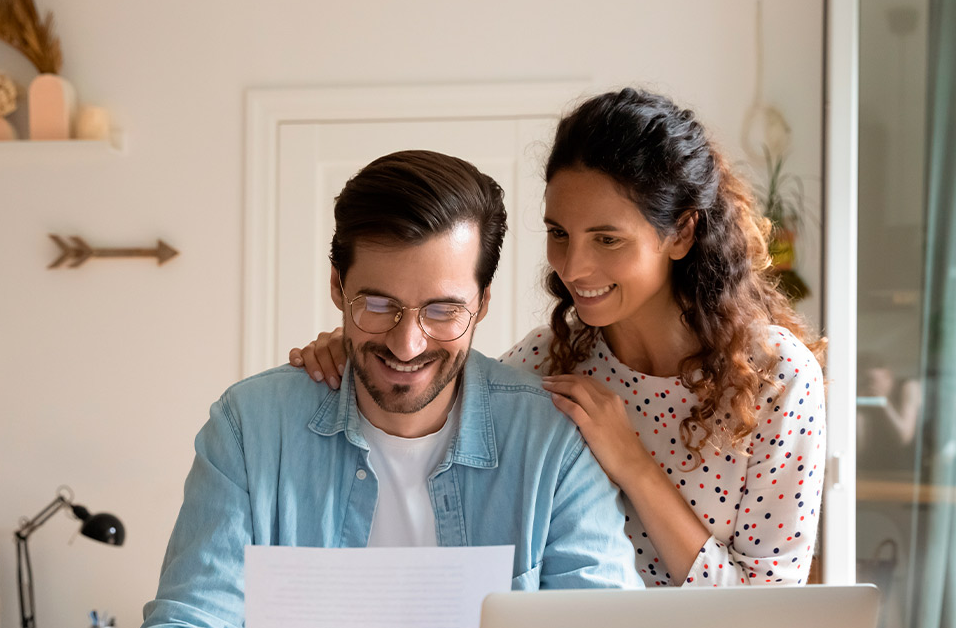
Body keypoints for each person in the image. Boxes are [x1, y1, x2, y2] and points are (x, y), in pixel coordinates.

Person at [123, 149, 641, 628]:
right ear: (337, 287)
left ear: (480, 303)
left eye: (442, 310)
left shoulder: (554, 442)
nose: (407, 342)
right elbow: (189, 624)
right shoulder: (250, 425)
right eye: (378, 304)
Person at [293, 89, 827, 591]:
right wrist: (365, 348)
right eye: (559, 233)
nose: (573, 266)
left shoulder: (778, 381)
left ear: (681, 233)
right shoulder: (545, 362)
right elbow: (427, 391)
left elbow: (764, 609)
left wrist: (633, 466)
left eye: (607, 238)